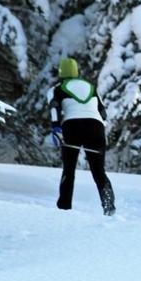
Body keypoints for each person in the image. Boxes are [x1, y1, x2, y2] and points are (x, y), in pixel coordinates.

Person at [48, 57, 115, 216]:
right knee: (98, 169)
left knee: (69, 169)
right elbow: (103, 113)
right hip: (96, 127)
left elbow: (54, 108)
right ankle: (109, 205)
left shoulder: (57, 88)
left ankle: (64, 207)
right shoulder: (90, 87)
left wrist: (56, 128)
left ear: (61, 73)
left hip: (72, 127)